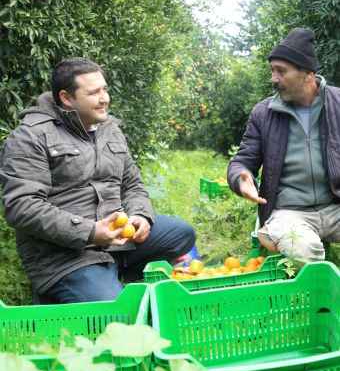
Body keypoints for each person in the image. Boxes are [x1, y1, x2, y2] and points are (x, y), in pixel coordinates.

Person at [0, 57, 195, 303]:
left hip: (116, 241)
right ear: (66, 98)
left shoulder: (108, 128)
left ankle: (112, 277)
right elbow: (22, 207)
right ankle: (76, 288)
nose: (105, 98)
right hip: (65, 256)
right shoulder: (31, 136)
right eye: (94, 93)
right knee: (117, 313)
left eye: (105, 89)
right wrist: (90, 232)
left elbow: (132, 184)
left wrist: (140, 216)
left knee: (181, 233)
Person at [227, 28, 340, 262]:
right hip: (290, 212)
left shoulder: (337, 104)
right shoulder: (263, 113)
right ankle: (324, 295)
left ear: (308, 74)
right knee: (302, 250)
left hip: (335, 206)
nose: (274, 78)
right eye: (272, 71)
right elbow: (242, 161)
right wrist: (241, 178)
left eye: (281, 71)